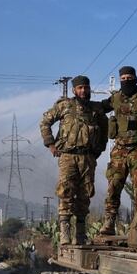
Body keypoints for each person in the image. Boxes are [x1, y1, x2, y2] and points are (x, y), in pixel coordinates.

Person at [39, 74, 108, 244]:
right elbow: (45, 123)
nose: (83, 91)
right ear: (74, 90)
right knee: (66, 192)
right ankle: (64, 233)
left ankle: (81, 234)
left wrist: (98, 149)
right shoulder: (65, 106)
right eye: (80, 88)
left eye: (86, 87)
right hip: (68, 156)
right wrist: (51, 145)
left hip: (87, 157)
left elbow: (105, 130)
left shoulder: (95, 109)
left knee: (85, 194)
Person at [98, 65, 137, 236]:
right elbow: (97, 109)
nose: (126, 80)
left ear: (135, 77)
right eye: (123, 78)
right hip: (119, 150)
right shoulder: (115, 98)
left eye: (129, 77)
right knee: (114, 185)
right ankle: (109, 222)